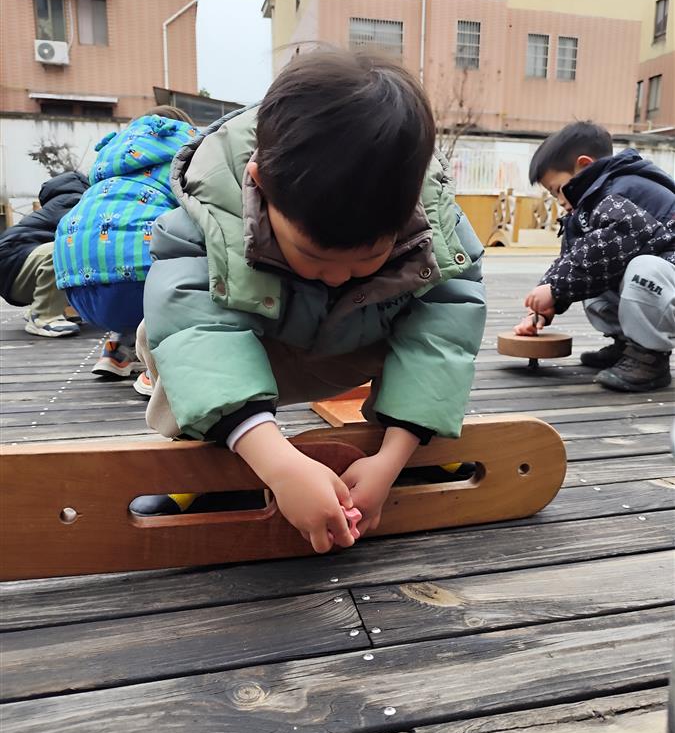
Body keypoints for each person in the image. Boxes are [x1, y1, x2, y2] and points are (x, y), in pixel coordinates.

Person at [132, 50, 486, 555]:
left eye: (367, 260)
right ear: (259, 185)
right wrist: (278, 464)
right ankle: (203, 469)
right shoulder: (210, 208)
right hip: (261, 346)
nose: (338, 275)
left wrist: (391, 458)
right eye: (315, 257)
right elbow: (195, 331)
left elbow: (443, 334)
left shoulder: (434, 221)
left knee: (435, 341)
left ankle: (415, 443)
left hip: (355, 345)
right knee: (167, 337)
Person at [514, 121, 675, 392]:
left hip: (668, 275)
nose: (559, 200)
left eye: (557, 189)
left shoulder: (621, 190)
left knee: (641, 268)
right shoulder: (589, 207)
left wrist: (554, 289)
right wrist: (546, 305)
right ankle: (629, 345)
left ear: (584, 166)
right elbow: (576, 258)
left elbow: (611, 246)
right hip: (665, 287)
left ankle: (649, 359)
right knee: (593, 276)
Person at [52, 106, 197, 381]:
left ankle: (117, 349)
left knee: (120, 252)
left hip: (77, 288)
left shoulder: (111, 156)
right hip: (144, 286)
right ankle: (161, 371)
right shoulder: (188, 154)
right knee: (187, 247)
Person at [0, 171, 89, 337]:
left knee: (76, 252)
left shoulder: (56, 205)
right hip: (14, 262)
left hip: (13, 268)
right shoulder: (73, 203)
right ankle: (43, 316)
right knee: (67, 249)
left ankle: (48, 308)